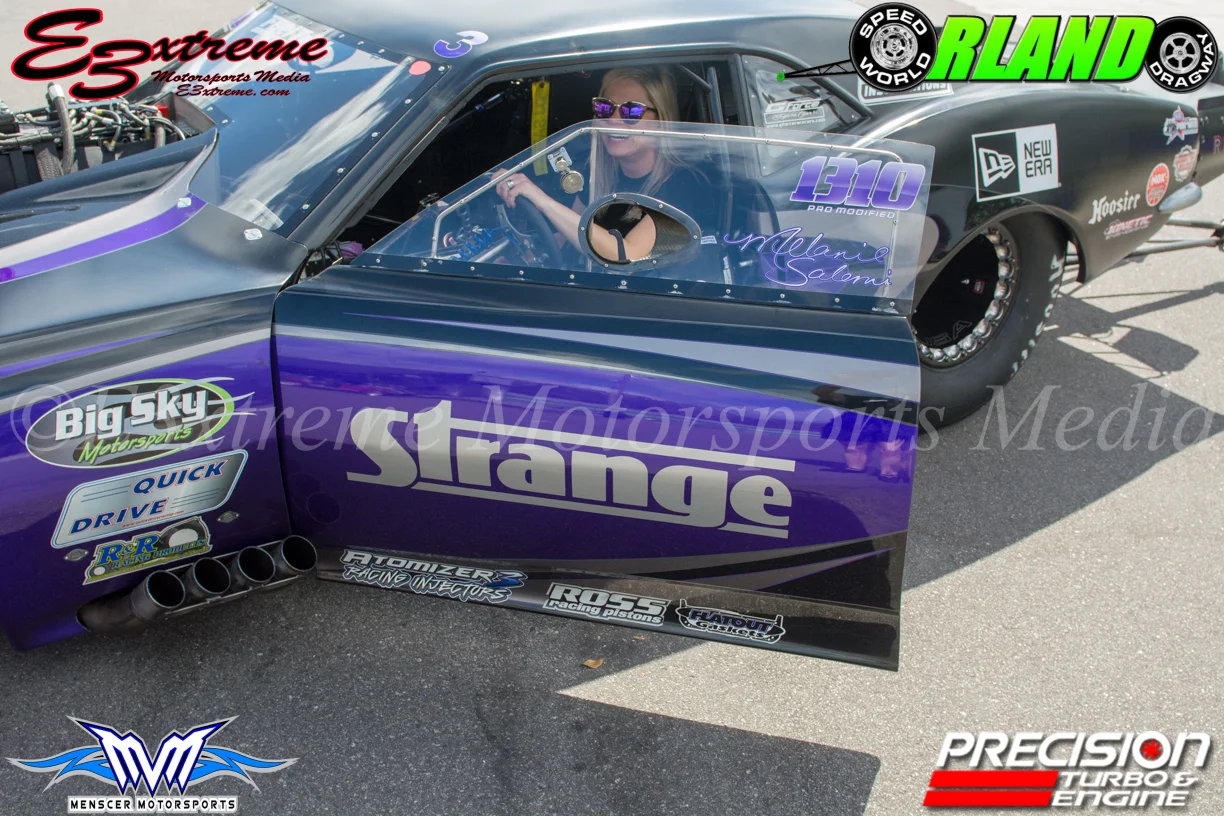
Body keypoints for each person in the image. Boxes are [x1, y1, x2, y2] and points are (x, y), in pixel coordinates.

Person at [493, 67, 717, 269]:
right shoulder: (596, 171)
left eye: (631, 112)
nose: (614, 119)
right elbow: (567, 235)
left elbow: (626, 254)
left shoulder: (687, 183)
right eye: (605, 108)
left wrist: (542, 201)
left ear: (660, 120)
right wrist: (519, 262)